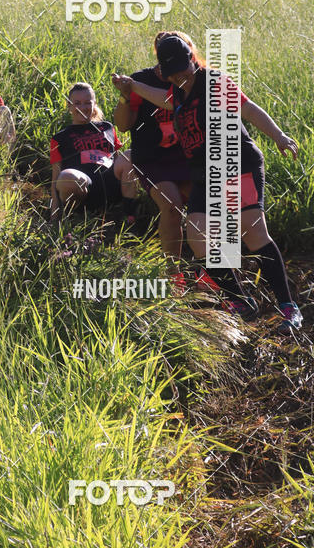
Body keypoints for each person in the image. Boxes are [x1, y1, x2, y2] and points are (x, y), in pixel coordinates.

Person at [113, 35, 303, 334]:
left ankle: (288, 307)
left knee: (253, 232)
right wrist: (131, 87)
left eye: (184, 67)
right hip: (206, 172)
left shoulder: (213, 82)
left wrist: (279, 136)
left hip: (239, 163)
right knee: (197, 236)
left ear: (193, 58)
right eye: (172, 71)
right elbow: (158, 97)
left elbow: (248, 108)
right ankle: (240, 301)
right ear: (163, 72)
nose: (180, 75)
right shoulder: (176, 93)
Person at [114, 30, 194, 284]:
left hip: (188, 157)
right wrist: (127, 96)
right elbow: (124, 125)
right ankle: (174, 276)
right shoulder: (141, 80)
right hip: (152, 159)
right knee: (171, 207)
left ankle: (218, 272)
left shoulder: (194, 79)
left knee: (207, 206)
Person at [50, 82, 137, 226]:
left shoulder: (107, 127)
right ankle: (72, 218)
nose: (83, 107)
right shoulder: (60, 138)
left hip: (111, 185)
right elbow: (55, 180)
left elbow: (118, 160)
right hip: (84, 189)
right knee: (66, 177)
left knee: (130, 155)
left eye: (87, 103)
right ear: (69, 105)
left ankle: (130, 216)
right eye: (77, 103)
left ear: (94, 104)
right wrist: (54, 217)